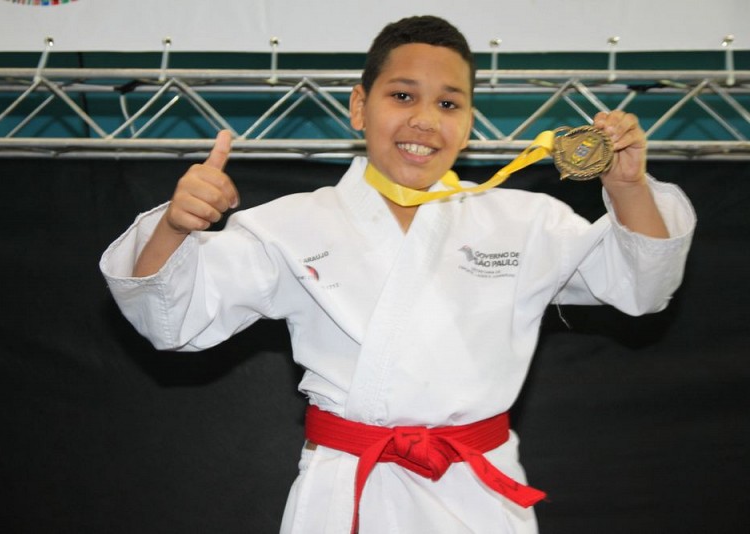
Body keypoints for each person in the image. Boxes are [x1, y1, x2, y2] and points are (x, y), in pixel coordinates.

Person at [100, 15, 695, 534]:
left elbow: (641, 287)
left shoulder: (525, 221)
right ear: (360, 106)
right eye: (403, 96)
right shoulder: (290, 225)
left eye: (448, 104)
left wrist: (627, 186)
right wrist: (175, 227)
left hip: (475, 494)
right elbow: (169, 319)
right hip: (347, 489)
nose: (425, 121)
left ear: (469, 121)